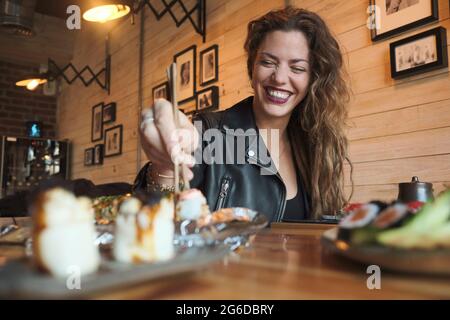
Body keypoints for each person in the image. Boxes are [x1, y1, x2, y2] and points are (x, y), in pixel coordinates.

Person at [137, 6, 352, 222]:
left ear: (312, 79)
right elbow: (159, 215)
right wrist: (164, 167)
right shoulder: (210, 131)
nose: (279, 78)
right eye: (268, 62)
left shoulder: (313, 143)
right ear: (253, 67)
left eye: (297, 68)